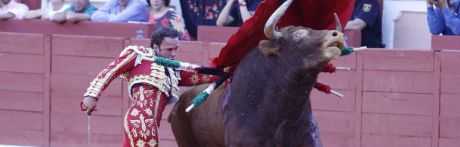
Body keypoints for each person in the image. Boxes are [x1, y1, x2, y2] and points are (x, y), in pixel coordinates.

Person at [81, 27, 217, 147]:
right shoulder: (139, 56)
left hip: (151, 124)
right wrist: (92, 94)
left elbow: (202, 76)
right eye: (169, 49)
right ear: (156, 47)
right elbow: (110, 71)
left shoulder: (173, 71)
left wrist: (228, 71)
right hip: (141, 120)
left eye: (176, 48)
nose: (174, 53)